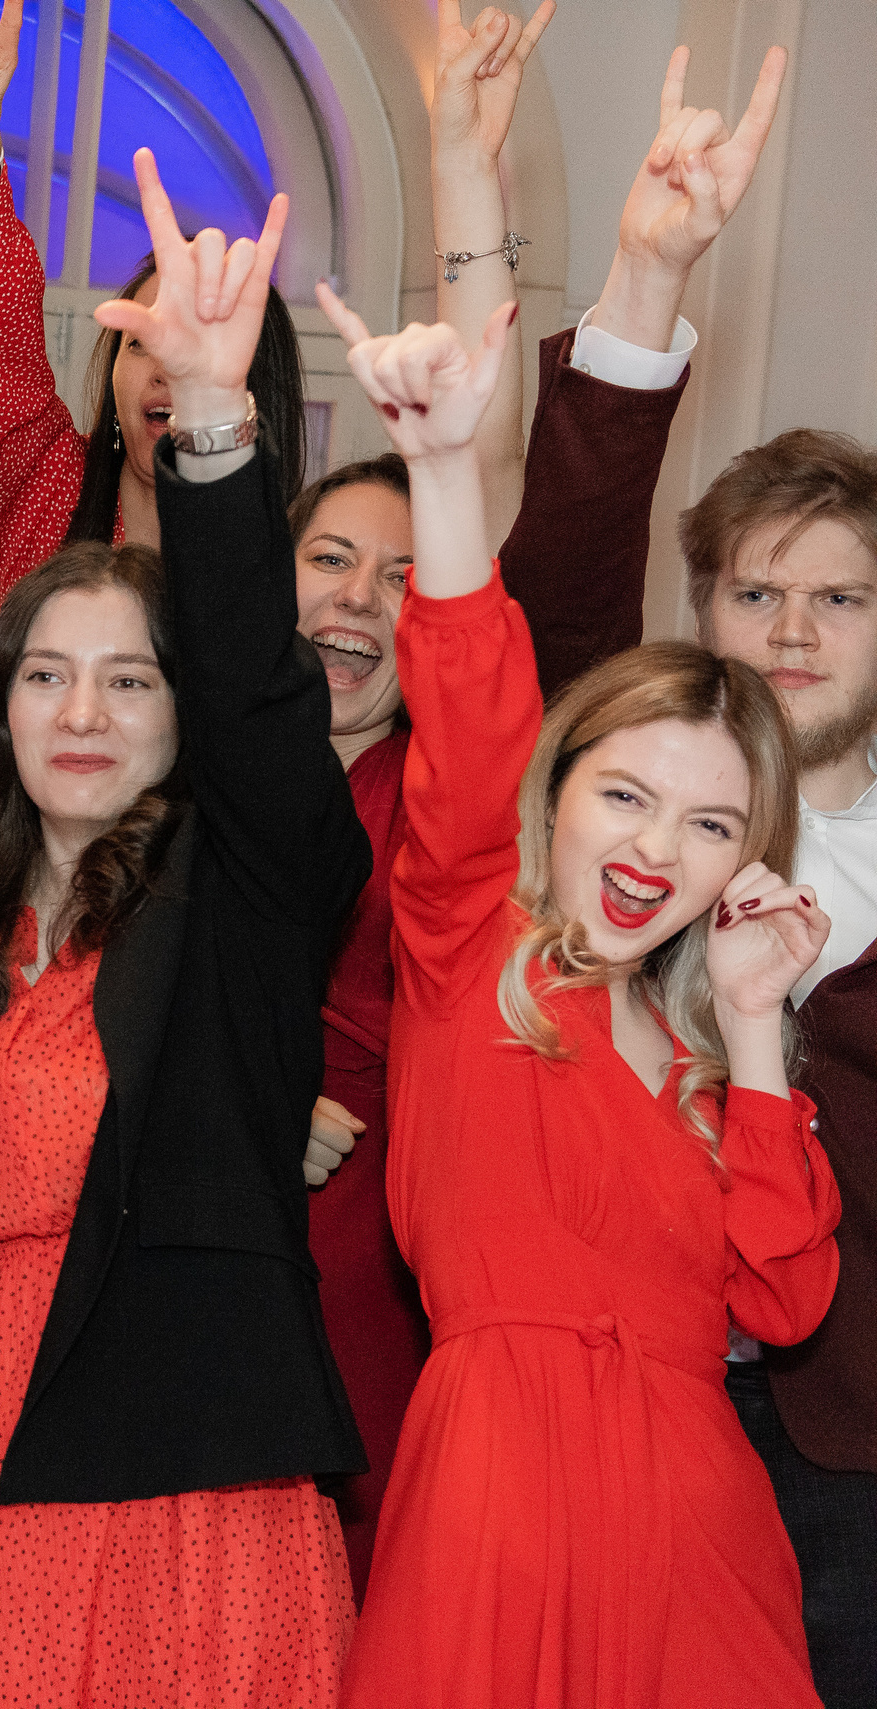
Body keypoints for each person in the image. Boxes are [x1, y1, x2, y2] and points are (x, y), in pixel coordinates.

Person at [0, 151, 364, 1709]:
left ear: (182, 712)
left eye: (130, 677)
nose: (82, 708)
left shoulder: (243, 901)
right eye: (47, 672)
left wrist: (208, 426)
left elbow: (271, 715)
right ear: (0, 706)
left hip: (190, 1499)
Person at [320, 268, 838, 1707]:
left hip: (694, 1525)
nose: (656, 849)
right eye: (627, 794)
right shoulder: (463, 936)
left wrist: (748, 1029)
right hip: (494, 1492)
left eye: (713, 825)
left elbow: (786, 1301)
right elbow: (476, 690)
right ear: (563, 791)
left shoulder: (700, 1049)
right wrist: (437, 467)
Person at [685, 426, 877, 1706]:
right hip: (642, 1395)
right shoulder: (629, 817)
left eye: (840, 598)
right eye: (756, 593)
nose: (794, 630)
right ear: (699, 612)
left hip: (848, 1430)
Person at [0, 0, 306, 606]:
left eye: (192, 344)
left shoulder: (296, 568)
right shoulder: (45, 492)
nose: (166, 366)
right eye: (142, 343)